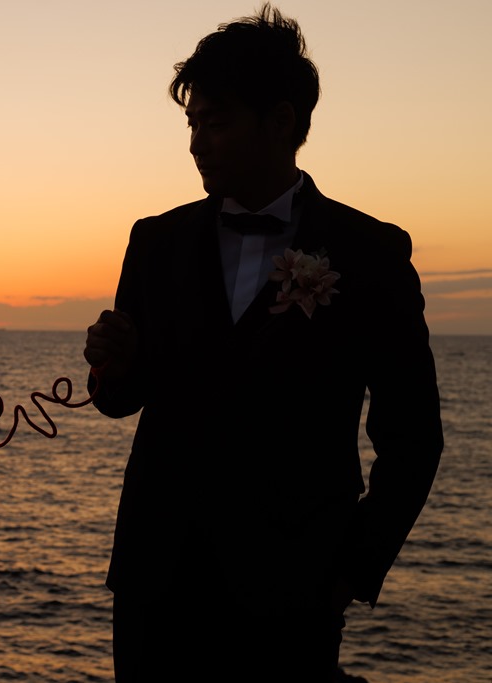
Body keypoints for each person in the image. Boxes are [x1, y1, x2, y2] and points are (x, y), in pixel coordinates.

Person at [83, 5, 443, 681]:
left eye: (216, 122)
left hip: (295, 591)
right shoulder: (156, 241)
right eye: (191, 124)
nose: (197, 143)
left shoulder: (370, 253)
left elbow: (413, 435)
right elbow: (120, 398)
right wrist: (113, 363)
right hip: (156, 582)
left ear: (281, 121)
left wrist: (352, 569)